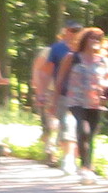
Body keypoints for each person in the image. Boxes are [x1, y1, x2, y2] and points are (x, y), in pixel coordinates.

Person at [57, 27, 108, 181]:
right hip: (76, 100)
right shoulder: (72, 57)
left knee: (91, 136)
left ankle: (88, 166)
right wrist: (54, 100)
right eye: (92, 38)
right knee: (84, 130)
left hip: (95, 101)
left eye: (98, 39)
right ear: (85, 40)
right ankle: (85, 168)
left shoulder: (104, 61)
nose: (95, 41)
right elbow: (60, 79)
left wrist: (104, 88)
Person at [34, 20, 81, 165]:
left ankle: (69, 156)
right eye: (73, 30)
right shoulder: (54, 49)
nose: (75, 33)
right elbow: (42, 71)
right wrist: (40, 92)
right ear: (65, 31)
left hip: (78, 93)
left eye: (78, 31)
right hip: (54, 90)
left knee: (70, 124)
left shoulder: (83, 48)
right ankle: (51, 151)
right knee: (54, 123)